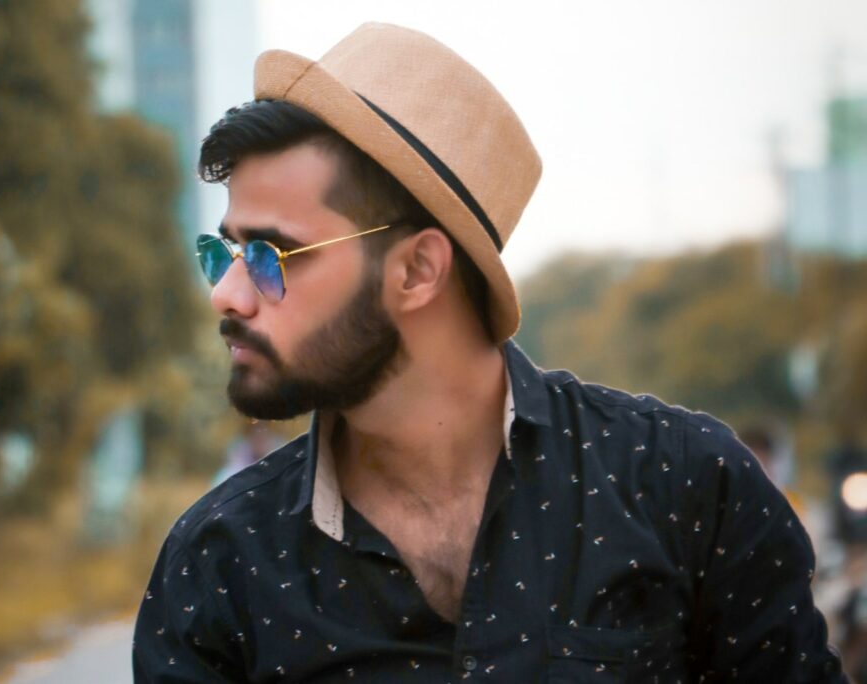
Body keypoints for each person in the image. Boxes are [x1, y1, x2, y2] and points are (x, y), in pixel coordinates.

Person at [134, 23, 845, 682]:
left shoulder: (684, 486)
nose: (227, 294)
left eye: (270, 253)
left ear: (417, 271)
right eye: (221, 252)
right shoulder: (217, 564)